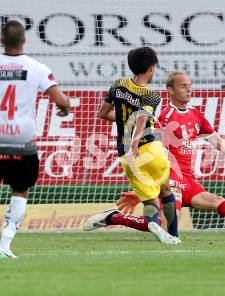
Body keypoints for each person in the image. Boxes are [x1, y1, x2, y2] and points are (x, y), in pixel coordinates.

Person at [100, 70, 225, 231]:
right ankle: (114, 217)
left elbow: (219, 142)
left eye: (190, 85)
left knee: (215, 201)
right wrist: (149, 188)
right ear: (171, 91)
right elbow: (152, 153)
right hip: (171, 181)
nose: (189, 89)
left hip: (188, 181)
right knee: (164, 226)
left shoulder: (196, 115)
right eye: (183, 86)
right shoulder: (164, 118)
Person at [83, 46, 180, 244]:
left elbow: (103, 113)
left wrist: (125, 128)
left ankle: (152, 221)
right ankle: (174, 235)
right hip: (148, 147)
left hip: (125, 154)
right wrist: (135, 142)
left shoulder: (118, 85)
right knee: (166, 190)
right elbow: (142, 119)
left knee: (149, 201)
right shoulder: (151, 95)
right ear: (151, 68)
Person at [0, 20, 71, 259]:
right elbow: (61, 101)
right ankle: (5, 245)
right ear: (24, 40)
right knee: (19, 191)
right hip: (22, 141)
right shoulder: (36, 68)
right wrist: (64, 109)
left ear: (1, 40)